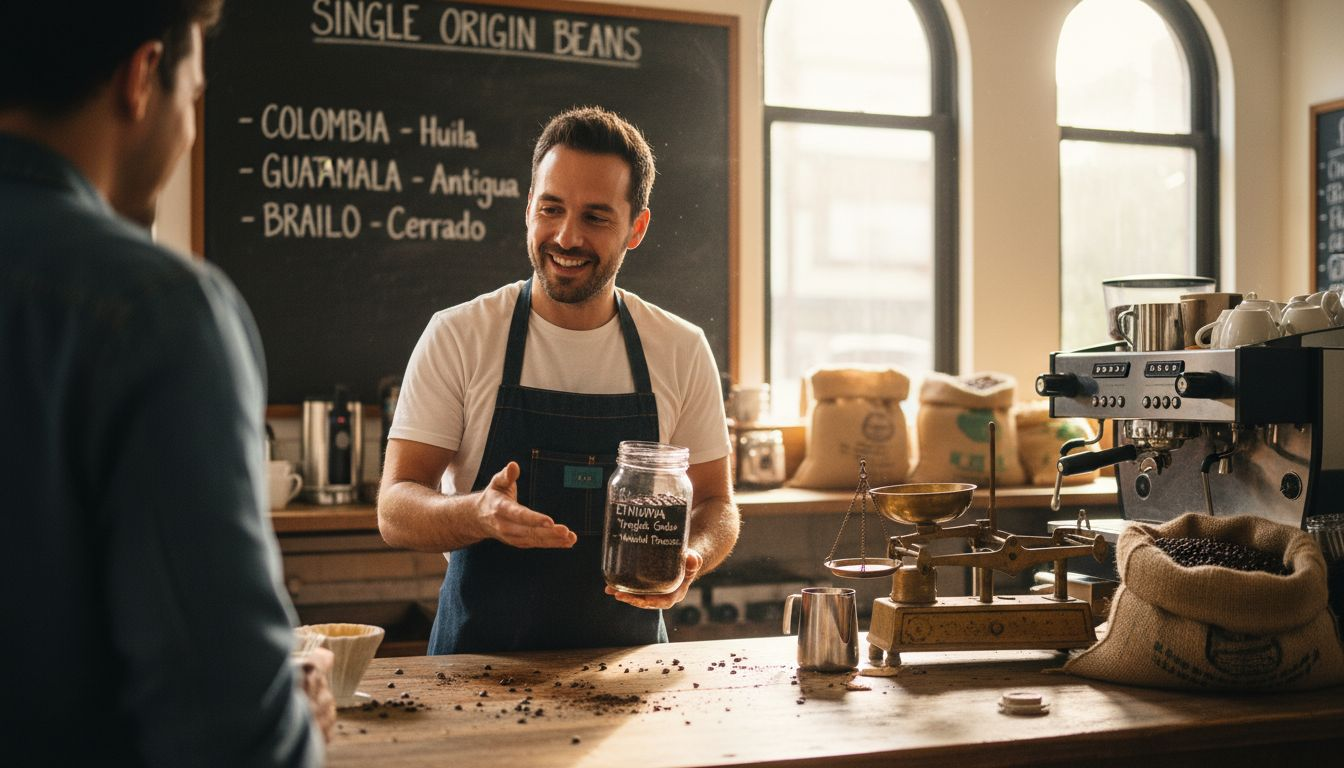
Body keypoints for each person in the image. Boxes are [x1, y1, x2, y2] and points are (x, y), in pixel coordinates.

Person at [0, 2, 335, 764]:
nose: (188, 130)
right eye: (195, 97)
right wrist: (296, 719)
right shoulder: (157, 314)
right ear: (143, 75)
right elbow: (232, 738)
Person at [379, 106, 740, 654]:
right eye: (551, 209)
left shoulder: (680, 348)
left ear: (637, 228)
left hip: (628, 671)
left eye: (596, 217)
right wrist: (478, 513)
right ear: (529, 209)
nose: (567, 237)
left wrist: (693, 556)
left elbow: (716, 503)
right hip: (474, 671)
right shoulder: (460, 335)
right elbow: (395, 509)